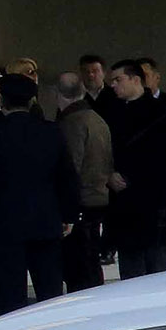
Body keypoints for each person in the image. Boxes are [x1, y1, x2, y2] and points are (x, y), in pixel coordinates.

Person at [0, 75, 79, 314]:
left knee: (10, 296)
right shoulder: (51, 132)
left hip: (4, 225)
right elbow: (66, 177)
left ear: (2, 101)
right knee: (49, 292)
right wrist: (69, 214)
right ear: (31, 101)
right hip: (45, 221)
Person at [101, 62, 166, 275]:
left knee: (160, 268)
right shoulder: (112, 111)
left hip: (155, 204)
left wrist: (131, 177)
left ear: (135, 79)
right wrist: (108, 175)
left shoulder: (160, 113)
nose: (113, 85)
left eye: (118, 80)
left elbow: (165, 160)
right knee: (131, 269)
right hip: (124, 207)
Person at [54, 69, 113, 287]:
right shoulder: (96, 119)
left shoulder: (71, 123)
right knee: (90, 262)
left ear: (58, 94)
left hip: (81, 202)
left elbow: (71, 168)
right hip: (98, 196)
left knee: (79, 268)